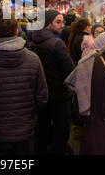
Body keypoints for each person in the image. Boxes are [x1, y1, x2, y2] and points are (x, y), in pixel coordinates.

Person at [0, 19, 48, 155]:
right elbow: (42, 97)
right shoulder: (33, 59)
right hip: (25, 129)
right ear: (16, 31)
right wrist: (30, 115)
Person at [31, 9, 75, 155]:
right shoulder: (57, 44)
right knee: (61, 130)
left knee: (42, 127)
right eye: (58, 21)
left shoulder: (35, 40)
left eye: (63, 21)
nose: (63, 25)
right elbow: (70, 69)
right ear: (48, 23)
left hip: (41, 93)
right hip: (59, 93)